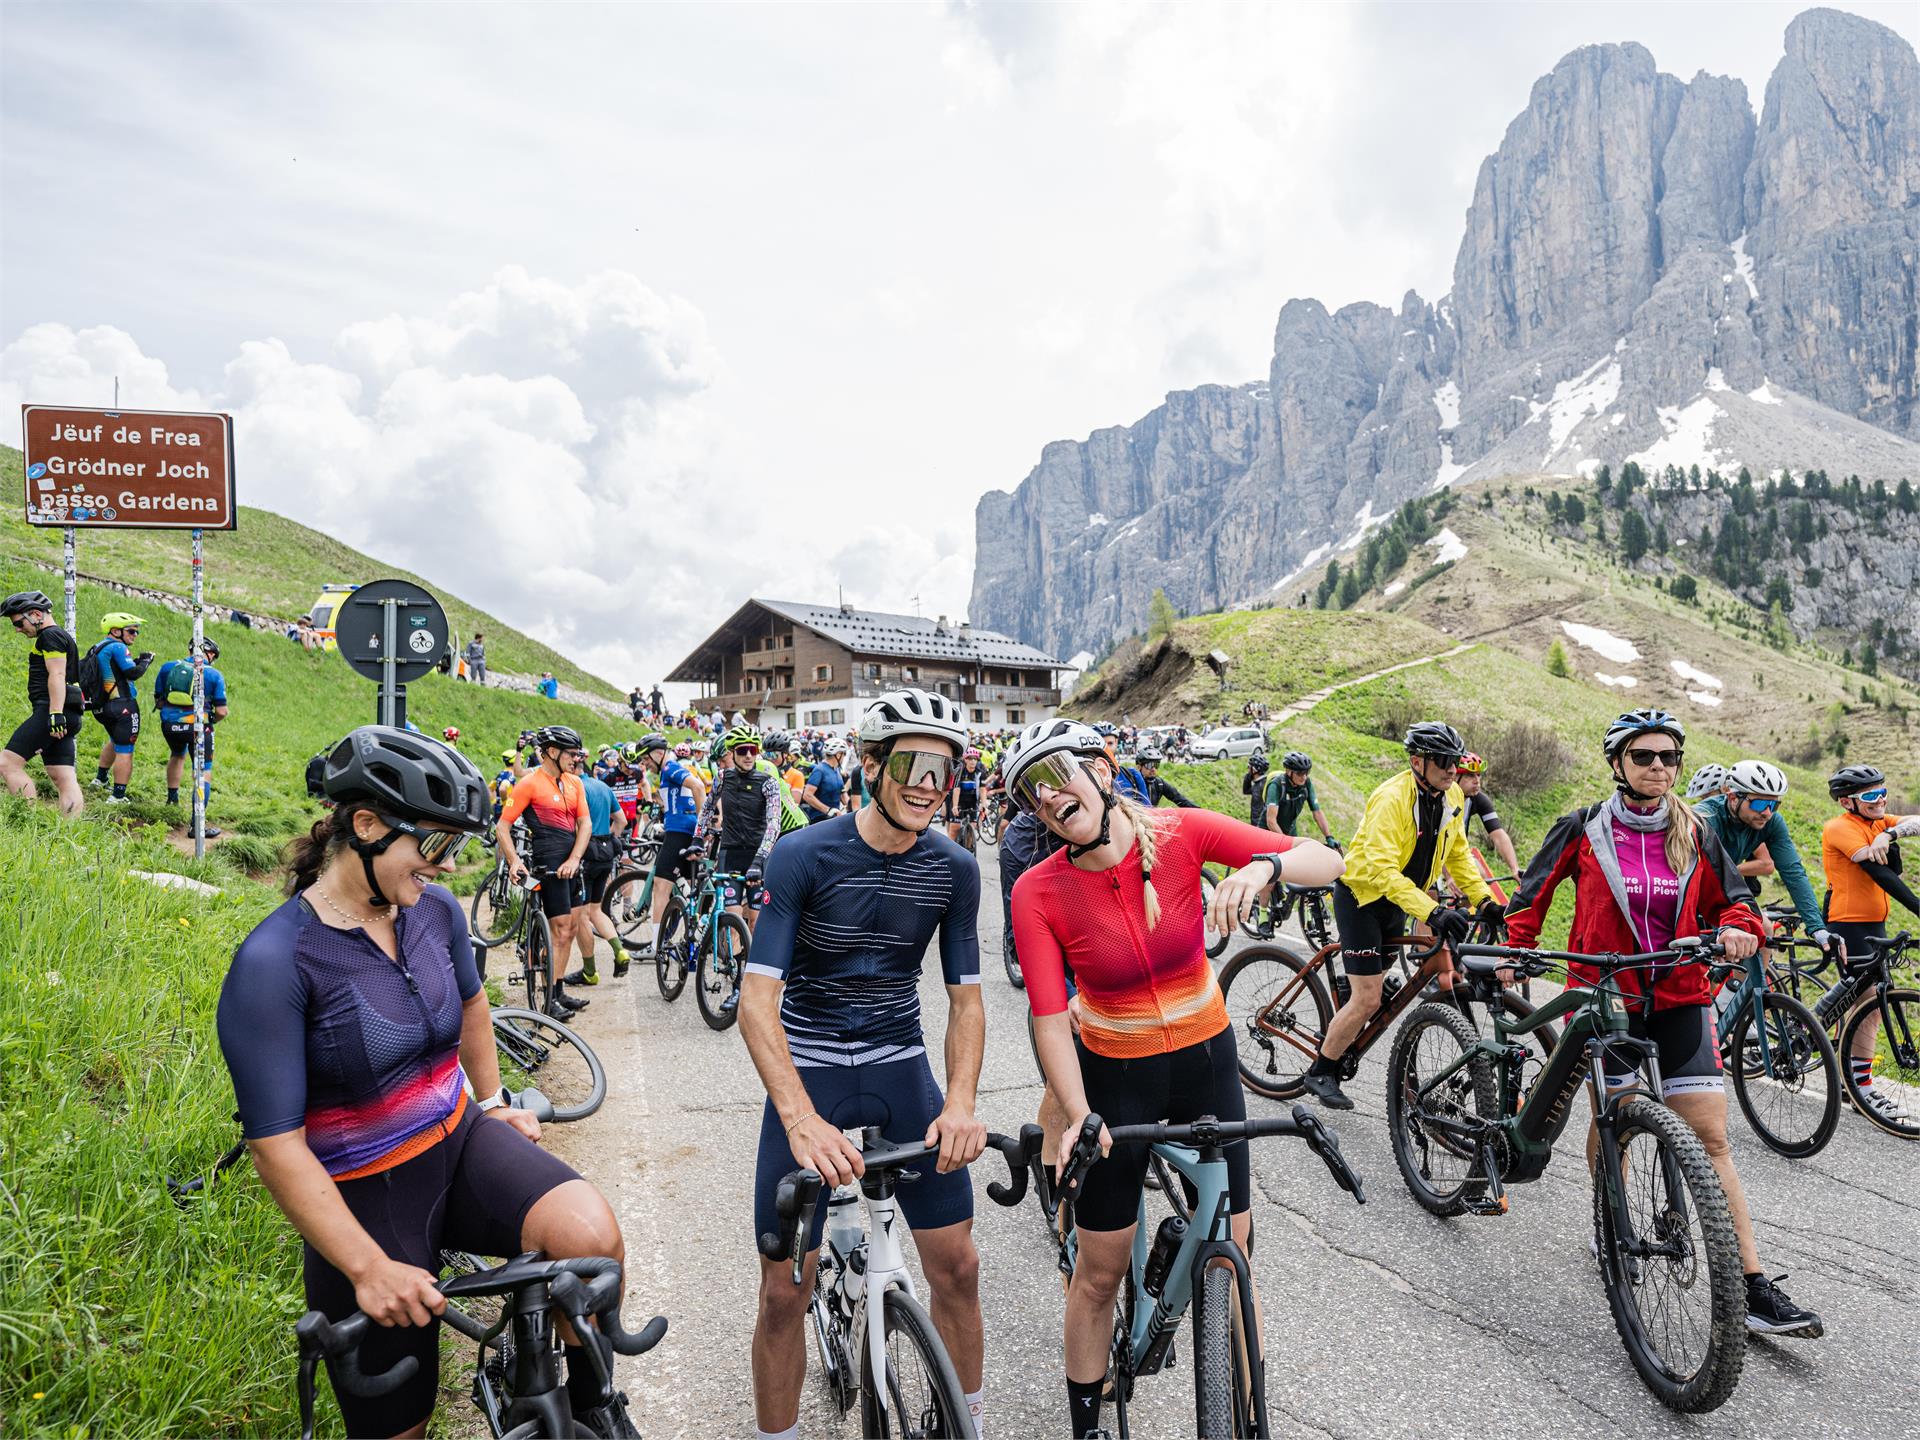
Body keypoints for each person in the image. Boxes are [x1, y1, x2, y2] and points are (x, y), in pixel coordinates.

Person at [217, 727, 630, 1438]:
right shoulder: (276, 960)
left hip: (459, 1137)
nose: (443, 869)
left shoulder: (432, 911)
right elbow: (275, 1147)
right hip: (367, 1191)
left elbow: (473, 1006)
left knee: (592, 1241)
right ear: (368, 826)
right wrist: (368, 1267)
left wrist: (493, 1104)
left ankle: (591, 1401)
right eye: (434, 847)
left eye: (457, 849)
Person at [1005, 718, 1344, 1439]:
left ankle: (1248, 1421)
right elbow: (1045, 1018)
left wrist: (1266, 867)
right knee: (1098, 1274)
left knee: (1238, 1247)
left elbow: (1328, 860)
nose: (1048, 797)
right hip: (1114, 1079)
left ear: (1102, 767)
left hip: (1206, 1064)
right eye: (1030, 794)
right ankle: (1087, 1424)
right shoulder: (1038, 892)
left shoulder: (1181, 831)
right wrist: (1076, 1110)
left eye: (1057, 773)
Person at [1505, 709, 1821, 1339]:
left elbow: (1733, 900)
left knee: (1710, 1140)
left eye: (1668, 758)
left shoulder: (1696, 830)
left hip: (1680, 996)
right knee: (1616, 1122)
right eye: (1644, 756)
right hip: (1605, 995)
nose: (1658, 768)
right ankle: (1613, 1221)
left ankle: (1753, 1286)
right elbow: (1532, 895)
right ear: (1618, 762)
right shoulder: (1583, 827)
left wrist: (1740, 929)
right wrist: (1517, 951)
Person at [741, 688, 988, 1440]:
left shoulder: (954, 869)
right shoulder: (804, 853)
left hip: (900, 1069)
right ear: (871, 764)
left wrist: (962, 1104)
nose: (927, 784)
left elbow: (967, 1003)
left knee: (960, 1270)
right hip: (811, 1072)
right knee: (785, 1293)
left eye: (943, 771)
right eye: (912, 763)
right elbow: (757, 1002)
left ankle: (963, 1424)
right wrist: (800, 1118)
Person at [1299, 722, 1498, 1110]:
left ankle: (1351, 992)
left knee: (1374, 989)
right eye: (1443, 761)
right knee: (1368, 999)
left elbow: (1458, 854)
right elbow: (1384, 873)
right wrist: (1433, 911)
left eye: (1455, 761)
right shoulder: (1390, 799)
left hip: (1400, 899)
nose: (1452, 769)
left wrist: (1485, 900)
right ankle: (1321, 1070)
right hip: (1364, 897)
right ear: (1417, 762)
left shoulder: (1451, 794)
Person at [1819, 763, 1920, 1125]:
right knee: (1868, 1003)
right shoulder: (1840, 828)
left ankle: (1848, 1076)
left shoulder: (1876, 824)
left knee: (1863, 1000)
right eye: (1871, 796)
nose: (1881, 801)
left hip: (1874, 921)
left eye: (1883, 793)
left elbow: (1918, 821)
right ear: (1848, 802)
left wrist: (1888, 836)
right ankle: (1859, 1086)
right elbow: (1881, 875)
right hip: (1848, 923)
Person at [496, 725, 594, 1015]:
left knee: (573, 927)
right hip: (548, 863)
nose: (576, 759)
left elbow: (585, 824)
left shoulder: (575, 783)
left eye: (578, 754)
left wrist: (575, 858)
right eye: (571, 754)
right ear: (552, 752)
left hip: (573, 863)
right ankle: (548, 998)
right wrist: (515, 860)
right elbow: (503, 826)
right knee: (561, 930)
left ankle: (559, 990)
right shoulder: (529, 783)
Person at [2, 590, 85, 816]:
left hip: (53, 710)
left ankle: (25, 820)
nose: (18, 629)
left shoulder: (50, 636)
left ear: (36, 614)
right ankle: (70, 831)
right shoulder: (59, 636)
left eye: (19, 623)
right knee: (62, 775)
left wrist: (54, 713)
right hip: (69, 713)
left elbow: (57, 675)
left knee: (7, 763)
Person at [697, 725, 782, 941]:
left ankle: (754, 972)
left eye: (753, 750)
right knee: (731, 923)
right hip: (730, 855)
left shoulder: (768, 782)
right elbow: (707, 807)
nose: (748, 755)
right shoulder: (723, 777)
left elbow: (774, 825)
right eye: (743, 751)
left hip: (758, 857)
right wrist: (697, 838)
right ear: (732, 753)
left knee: (756, 923)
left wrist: (759, 861)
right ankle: (735, 971)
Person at [630, 732, 705, 957]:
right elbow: (679, 800)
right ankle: (697, 933)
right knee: (685, 888)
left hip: (680, 832)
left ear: (658, 753)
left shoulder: (669, 767)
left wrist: (701, 830)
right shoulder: (668, 770)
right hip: (678, 830)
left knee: (660, 887)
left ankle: (656, 945)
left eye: (646, 759)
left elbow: (699, 787)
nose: (645, 764)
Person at [563, 748, 633, 986]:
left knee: (582, 915)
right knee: (596, 910)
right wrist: (607, 839)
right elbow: (621, 820)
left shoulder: (573, 787)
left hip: (584, 855)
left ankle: (589, 971)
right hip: (604, 853)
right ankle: (620, 950)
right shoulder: (603, 786)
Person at [152, 637, 228, 831]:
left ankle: (172, 800)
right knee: (203, 772)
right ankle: (197, 825)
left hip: (170, 725)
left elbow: (159, 700)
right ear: (209, 653)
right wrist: (211, 722)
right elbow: (221, 711)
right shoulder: (214, 675)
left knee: (177, 755)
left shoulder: (168, 667)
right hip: (198, 727)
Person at [87, 612, 154, 802]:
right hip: (122, 705)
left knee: (115, 740)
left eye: (136, 632)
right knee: (126, 749)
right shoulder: (118, 646)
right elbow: (132, 672)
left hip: (102, 706)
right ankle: (117, 796)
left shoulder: (98, 647)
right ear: (116, 631)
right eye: (131, 631)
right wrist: (146, 661)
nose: (135, 635)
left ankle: (100, 779)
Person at [1455, 752, 1519, 878]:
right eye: (1469, 775)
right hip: (1432, 851)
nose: (1477, 781)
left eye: (1478, 775)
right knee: (1431, 893)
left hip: (1458, 852)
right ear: (1454, 776)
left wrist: (1515, 869)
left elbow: (1499, 835)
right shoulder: (1441, 798)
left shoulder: (1479, 799)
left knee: (1479, 877)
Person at [1264, 750, 1335, 844]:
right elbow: (1271, 821)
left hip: (1290, 830)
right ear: (1289, 772)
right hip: (1268, 832)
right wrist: (1284, 842)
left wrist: (1329, 837)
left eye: (1307, 772)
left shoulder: (1306, 783)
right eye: (1300, 773)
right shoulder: (1276, 785)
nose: (1304, 777)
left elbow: (1317, 812)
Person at [946, 746, 986, 841]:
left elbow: (982, 789)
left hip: (972, 801)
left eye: (975, 759)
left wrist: (984, 804)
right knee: (954, 828)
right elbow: (957, 789)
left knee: (972, 828)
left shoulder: (980, 773)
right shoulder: (960, 771)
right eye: (970, 758)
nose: (973, 761)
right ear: (965, 760)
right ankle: (950, 852)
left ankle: (968, 850)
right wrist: (955, 806)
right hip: (959, 801)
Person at [801, 739, 846, 821]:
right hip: (819, 819)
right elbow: (807, 795)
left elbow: (843, 795)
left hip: (834, 818)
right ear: (839, 755)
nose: (844, 757)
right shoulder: (819, 770)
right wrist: (827, 810)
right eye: (844, 754)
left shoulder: (837, 770)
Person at [1240, 751, 1270, 827]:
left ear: (1254, 770)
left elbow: (1258, 812)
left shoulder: (1259, 786)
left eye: (1249, 767)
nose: (1248, 769)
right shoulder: (1261, 783)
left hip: (1259, 826)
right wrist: (1248, 776)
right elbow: (1246, 790)